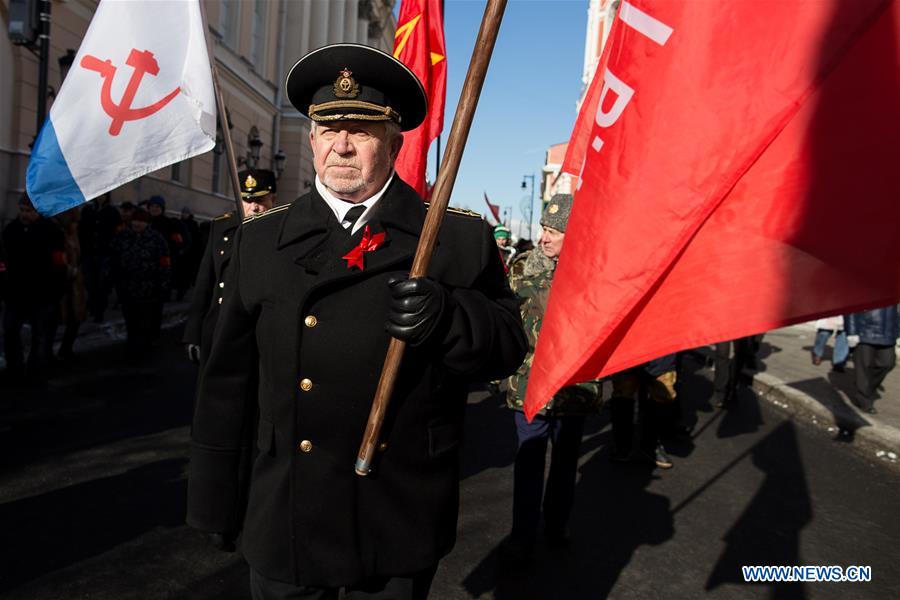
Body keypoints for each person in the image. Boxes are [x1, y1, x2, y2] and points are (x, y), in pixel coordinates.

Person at [186, 44, 527, 600]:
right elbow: (226, 383)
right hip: (286, 511)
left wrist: (450, 316)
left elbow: (508, 345)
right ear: (312, 139)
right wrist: (215, 499)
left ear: (394, 143)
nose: (341, 145)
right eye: (329, 130)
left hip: (396, 511)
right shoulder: (260, 241)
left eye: (361, 131)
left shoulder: (455, 238)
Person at [501, 194, 601, 562]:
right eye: (544, 228)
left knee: (564, 463)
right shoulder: (522, 267)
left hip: (574, 385)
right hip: (529, 383)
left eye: (555, 232)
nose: (544, 237)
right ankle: (522, 536)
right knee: (528, 461)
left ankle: (557, 523)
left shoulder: (595, 272)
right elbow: (505, 320)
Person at [183, 169, 278, 366]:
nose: (254, 207)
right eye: (247, 200)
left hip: (262, 329)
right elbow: (205, 282)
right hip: (220, 325)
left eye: (260, 200)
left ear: (273, 199)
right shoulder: (221, 227)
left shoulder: (282, 229)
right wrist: (194, 333)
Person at [1, 195, 67, 380]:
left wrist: (56, 290)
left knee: (40, 334)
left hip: (42, 292)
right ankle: (14, 368)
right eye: (22, 210)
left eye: (29, 211)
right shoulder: (11, 230)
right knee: (10, 331)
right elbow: (3, 258)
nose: (24, 214)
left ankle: (35, 371)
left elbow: (59, 263)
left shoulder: (51, 231)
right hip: (14, 291)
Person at [110, 207, 170, 355]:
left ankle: (146, 347)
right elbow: (113, 259)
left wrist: (162, 285)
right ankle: (132, 348)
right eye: (135, 220)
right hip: (127, 288)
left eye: (141, 221)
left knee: (146, 321)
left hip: (149, 290)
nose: (137, 224)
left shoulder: (156, 239)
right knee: (131, 321)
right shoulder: (122, 237)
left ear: (147, 223)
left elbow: (164, 264)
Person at [609, 354, 678, 469]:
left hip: (660, 354)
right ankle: (621, 445)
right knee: (623, 394)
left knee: (662, 395)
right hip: (627, 352)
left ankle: (651, 445)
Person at [844, 305, 898, 414]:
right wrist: (852, 331)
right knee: (864, 366)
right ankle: (864, 400)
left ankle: (865, 387)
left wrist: (897, 330)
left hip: (887, 333)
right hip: (864, 330)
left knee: (888, 363)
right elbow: (850, 307)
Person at [78, 193, 121, 322]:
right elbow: (82, 231)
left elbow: (117, 233)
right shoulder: (87, 210)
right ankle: (93, 306)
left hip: (105, 254)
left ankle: (99, 311)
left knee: (102, 284)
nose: (100, 197)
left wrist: (112, 249)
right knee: (90, 283)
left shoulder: (112, 212)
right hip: (89, 252)